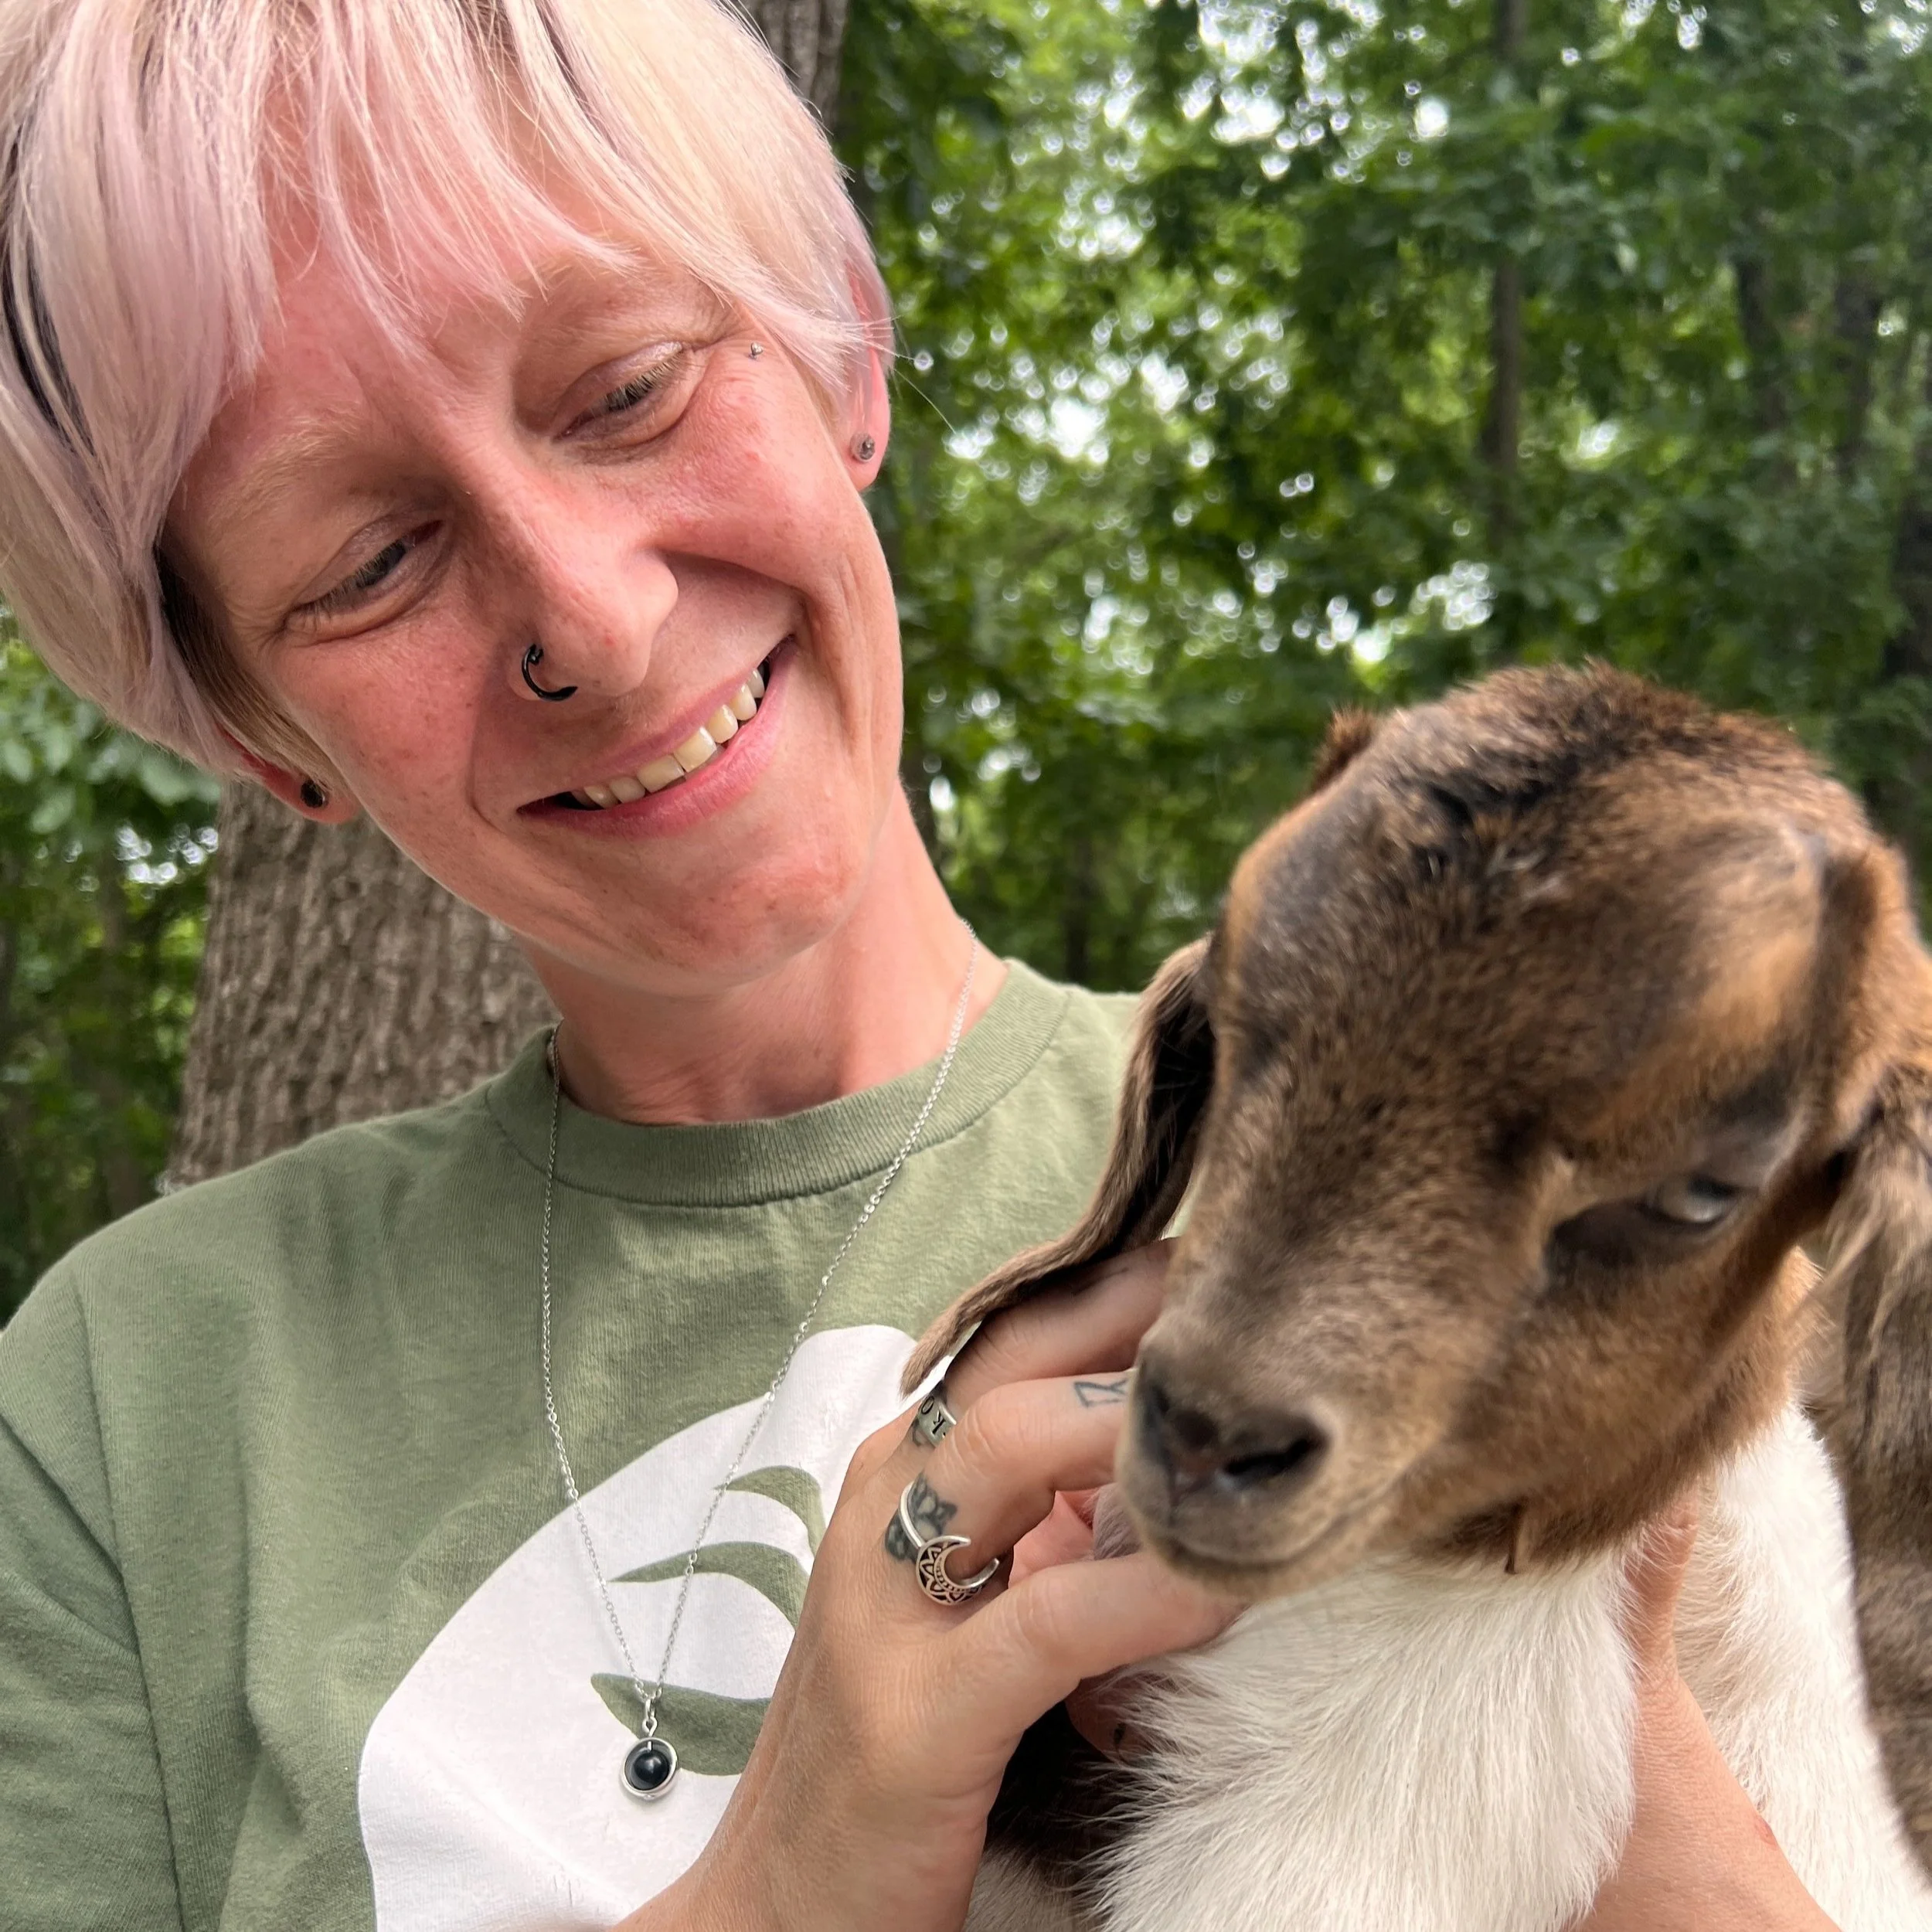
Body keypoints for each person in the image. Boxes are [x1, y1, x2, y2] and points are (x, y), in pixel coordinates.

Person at [0, 2, 1842, 1927]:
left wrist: (1552, 1697)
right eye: (370, 559)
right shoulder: (127, 1406)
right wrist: (792, 1874)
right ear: (253, 728)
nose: (596, 623)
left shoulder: (1465, 1178)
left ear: (842, 358)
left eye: (626, 385)